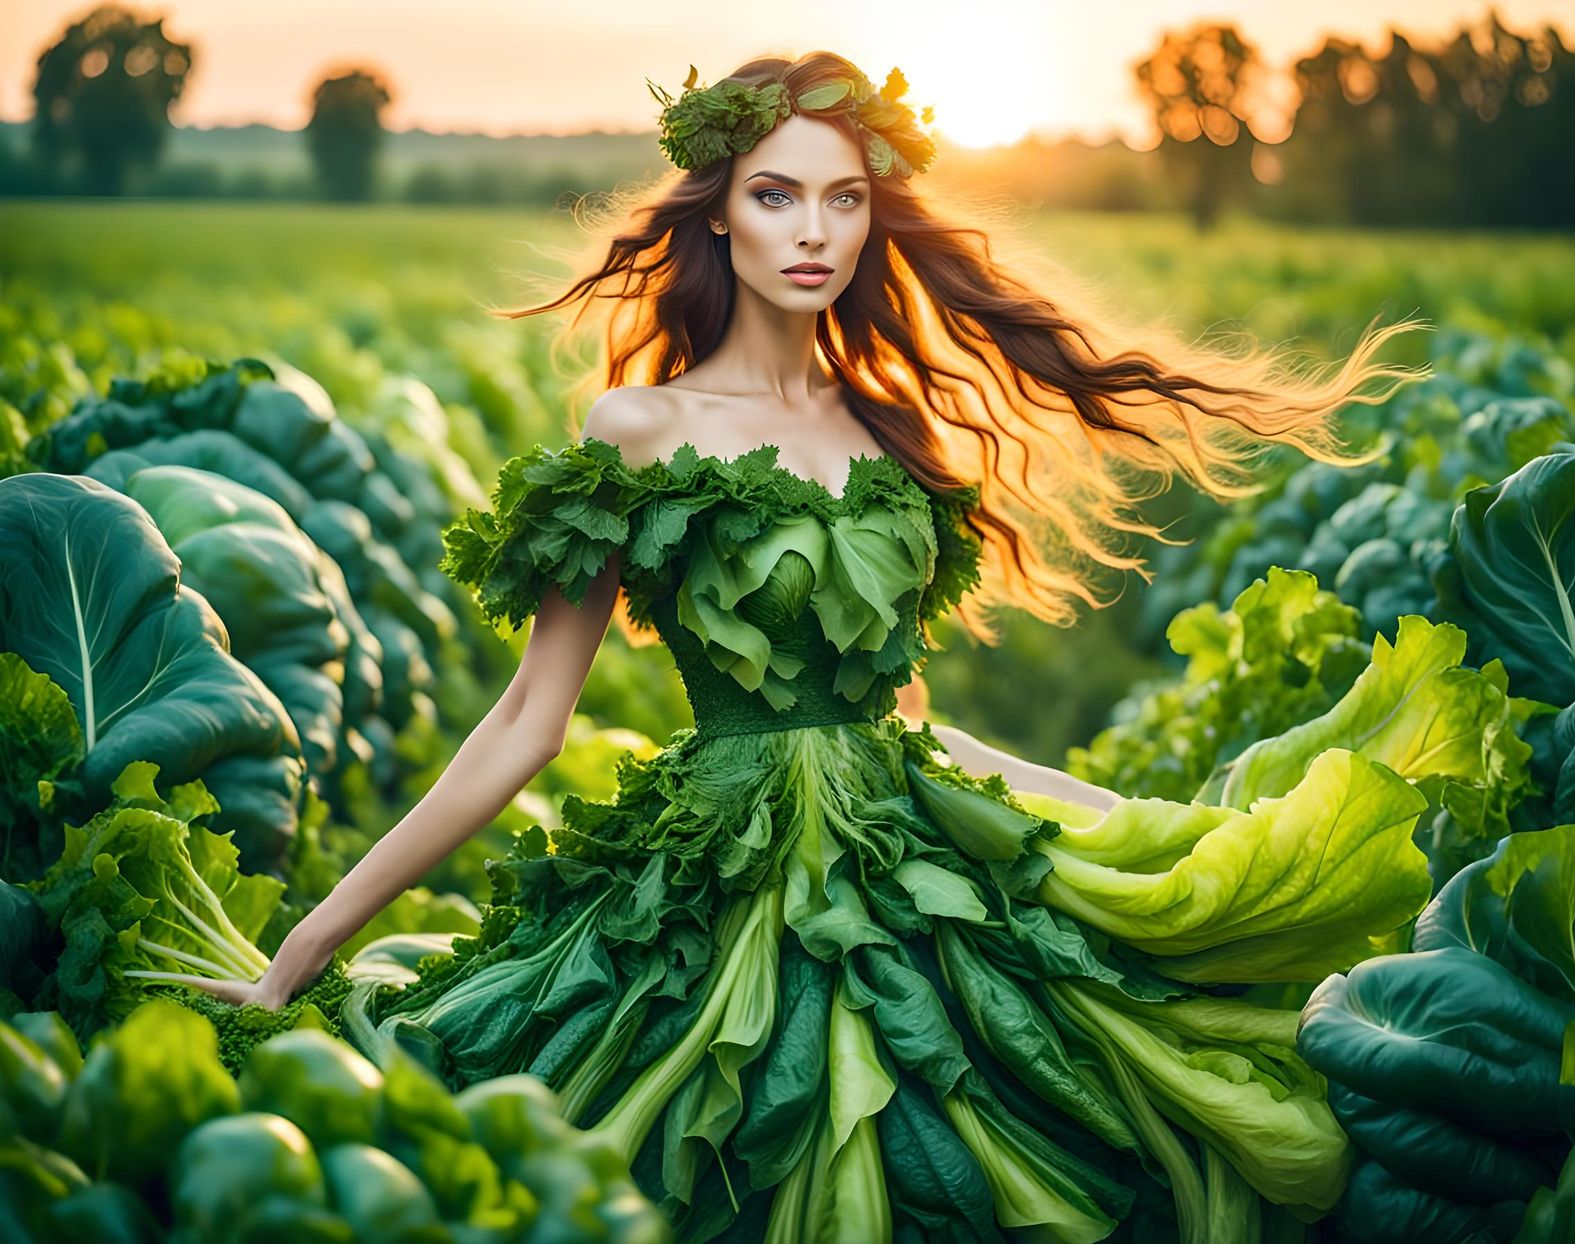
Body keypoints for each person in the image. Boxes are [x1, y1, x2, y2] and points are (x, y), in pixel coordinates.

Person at [175, 51, 1430, 1241]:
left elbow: (906, 721)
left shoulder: (886, 435)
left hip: (903, 870)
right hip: (713, 884)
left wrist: (1138, 821)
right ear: (718, 213)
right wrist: (309, 942)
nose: (814, 230)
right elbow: (526, 721)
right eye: (776, 195)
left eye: (843, 198)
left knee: (1018, 1139)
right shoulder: (637, 429)